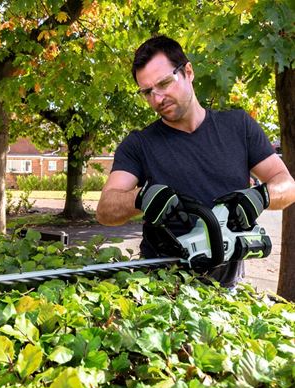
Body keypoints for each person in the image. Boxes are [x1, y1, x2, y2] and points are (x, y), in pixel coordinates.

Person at [96, 35, 295, 287]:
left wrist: (261, 196)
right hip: (164, 288)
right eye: (147, 92)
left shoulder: (238, 126)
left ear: (188, 71)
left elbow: (287, 185)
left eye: (165, 83)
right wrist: (140, 198)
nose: (157, 99)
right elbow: (105, 209)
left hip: (230, 286)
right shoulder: (139, 144)